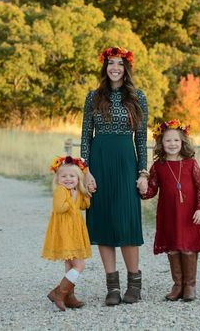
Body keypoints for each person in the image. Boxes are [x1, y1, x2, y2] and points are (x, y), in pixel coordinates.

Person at [81, 46, 148, 305]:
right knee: (103, 223)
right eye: (111, 63)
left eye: (120, 63)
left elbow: (141, 139)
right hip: (99, 162)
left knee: (126, 222)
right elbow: (85, 137)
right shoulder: (93, 97)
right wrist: (86, 172)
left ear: (126, 68)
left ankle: (135, 283)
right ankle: (112, 287)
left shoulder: (137, 97)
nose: (115, 68)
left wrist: (143, 173)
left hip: (125, 163)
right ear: (105, 67)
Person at [142, 119, 200, 302]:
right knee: (173, 249)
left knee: (187, 249)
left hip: (189, 214)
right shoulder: (159, 166)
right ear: (161, 143)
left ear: (183, 142)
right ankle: (177, 285)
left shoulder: (190, 163)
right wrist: (143, 187)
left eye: (176, 140)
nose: (172, 144)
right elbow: (151, 191)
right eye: (168, 141)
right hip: (168, 214)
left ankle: (190, 285)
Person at [42, 155, 91, 311]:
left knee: (70, 264)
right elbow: (60, 208)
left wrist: (85, 195)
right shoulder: (61, 191)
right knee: (80, 264)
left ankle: (69, 297)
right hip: (65, 232)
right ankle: (59, 292)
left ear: (78, 178)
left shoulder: (76, 190)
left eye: (72, 176)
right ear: (58, 179)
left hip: (75, 231)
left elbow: (83, 206)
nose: (68, 179)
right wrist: (71, 198)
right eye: (64, 176)